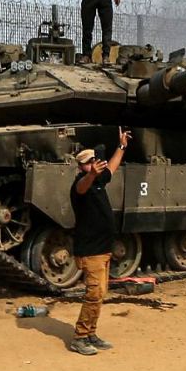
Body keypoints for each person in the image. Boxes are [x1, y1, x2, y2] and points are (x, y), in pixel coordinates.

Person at [67, 129, 129, 356]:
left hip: (103, 249)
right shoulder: (80, 185)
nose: (94, 164)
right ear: (81, 166)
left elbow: (112, 166)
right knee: (93, 293)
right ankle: (80, 337)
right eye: (88, 162)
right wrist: (91, 174)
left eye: (94, 160)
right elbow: (82, 186)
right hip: (90, 250)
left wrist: (121, 147)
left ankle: (91, 332)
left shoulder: (99, 181)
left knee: (101, 293)